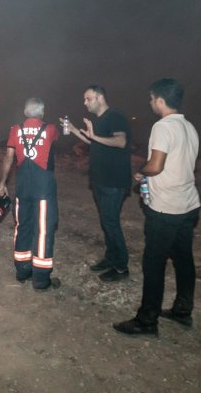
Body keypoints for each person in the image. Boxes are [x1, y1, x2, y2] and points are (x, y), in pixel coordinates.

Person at [113, 79, 200, 336]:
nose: (150, 103)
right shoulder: (189, 126)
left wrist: (140, 174)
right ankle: (183, 310)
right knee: (184, 259)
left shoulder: (163, 127)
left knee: (154, 264)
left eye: (151, 99)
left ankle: (146, 320)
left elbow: (156, 164)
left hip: (166, 209)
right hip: (188, 204)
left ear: (160, 100)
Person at [63, 85, 132, 282]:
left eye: (88, 99)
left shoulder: (115, 116)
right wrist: (75, 130)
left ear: (100, 97)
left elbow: (120, 142)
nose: (85, 103)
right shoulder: (99, 120)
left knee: (111, 222)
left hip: (114, 180)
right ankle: (111, 258)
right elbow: (96, 142)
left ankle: (121, 267)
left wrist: (94, 136)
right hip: (100, 180)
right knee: (106, 221)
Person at [0, 97, 61, 291]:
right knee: (43, 230)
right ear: (42, 112)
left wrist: (2, 183)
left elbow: (9, 158)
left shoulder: (15, 129)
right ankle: (41, 279)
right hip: (43, 188)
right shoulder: (50, 129)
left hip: (23, 187)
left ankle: (22, 270)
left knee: (22, 226)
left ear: (25, 112)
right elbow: (58, 138)